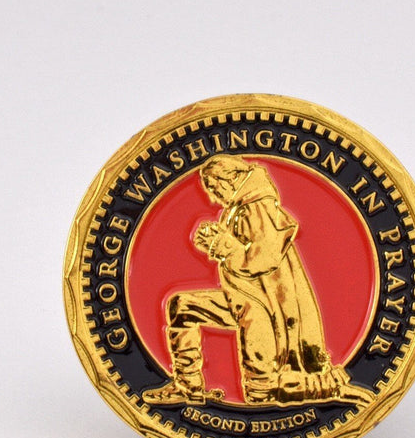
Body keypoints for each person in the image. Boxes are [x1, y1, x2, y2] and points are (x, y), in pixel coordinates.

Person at [142, 155, 373, 407]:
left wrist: (219, 244)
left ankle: (272, 394)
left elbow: (262, 259)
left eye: (214, 188)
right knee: (182, 306)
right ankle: (188, 387)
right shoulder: (238, 208)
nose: (212, 197)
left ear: (232, 179)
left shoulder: (258, 206)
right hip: (241, 297)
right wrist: (217, 239)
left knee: (260, 390)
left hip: (265, 304)